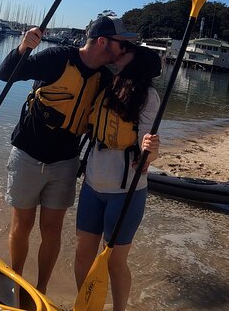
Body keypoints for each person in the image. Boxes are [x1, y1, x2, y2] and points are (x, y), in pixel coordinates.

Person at [0, 15, 137, 294]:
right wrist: (24, 47)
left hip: (65, 163)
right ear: (102, 41)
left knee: (52, 231)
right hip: (27, 154)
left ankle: (41, 290)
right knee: (21, 225)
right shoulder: (57, 57)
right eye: (120, 43)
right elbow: (5, 74)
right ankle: (16, 282)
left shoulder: (107, 79)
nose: (122, 49)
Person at [74, 44, 162, 311]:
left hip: (126, 192)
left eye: (128, 50)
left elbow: (150, 154)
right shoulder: (108, 86)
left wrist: (152, 150)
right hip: (92, 184)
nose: (121, 51)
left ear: (139, 61)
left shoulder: (149, 96)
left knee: (114, 261)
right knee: (83, 254)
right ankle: (87, 305)